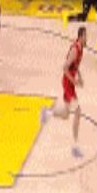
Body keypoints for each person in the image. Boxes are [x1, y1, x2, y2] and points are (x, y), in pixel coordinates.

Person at [41, 27, 87, 159]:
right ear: (80, 36)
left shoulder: (81, 49)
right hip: (67, 83)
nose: (87, 38)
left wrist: (80, 78)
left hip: (69, 83)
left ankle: (48, 112)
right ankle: (75, 147)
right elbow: (65, 68)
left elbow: (75, 66)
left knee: (66, 114)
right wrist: (74, 81)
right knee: (78, 112)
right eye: (85, 36)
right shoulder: (75, 50)